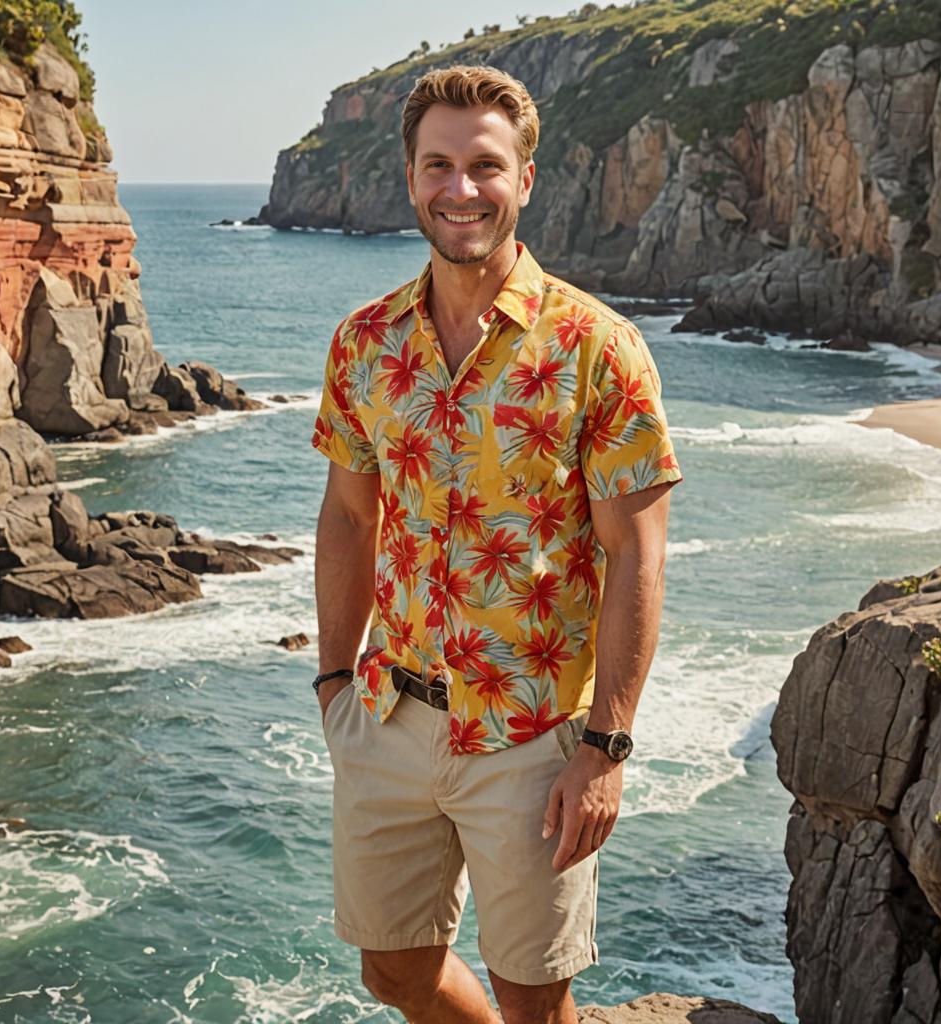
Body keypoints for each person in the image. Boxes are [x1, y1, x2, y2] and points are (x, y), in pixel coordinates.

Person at [311, 64, 683, 1024]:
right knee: (391, 971)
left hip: (531, 736)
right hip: (389, 714)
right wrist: (331, 683)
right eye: (439, 164)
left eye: (485, 165)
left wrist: (604, 746)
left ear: (525, 180)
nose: (460, 189)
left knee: (534, 996)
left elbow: (637, 556)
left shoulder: (598, 348)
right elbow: (351, 515)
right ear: (409, 178)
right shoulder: (364, 343)